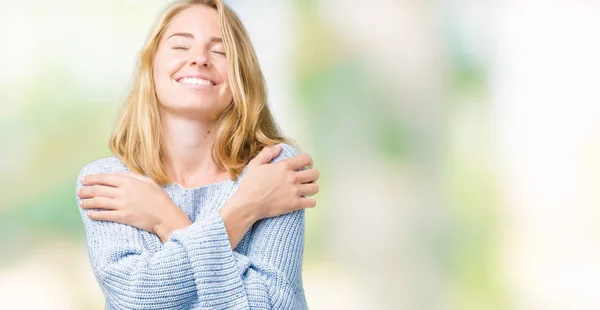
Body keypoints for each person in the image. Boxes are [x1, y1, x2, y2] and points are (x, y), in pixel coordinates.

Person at [75, 1, 319, 309]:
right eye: (180, 46)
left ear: (241, 75)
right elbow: (134, 300)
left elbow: (269, 305)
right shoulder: (110, 181)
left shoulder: (273, 169)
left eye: (220, 51)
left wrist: (164, 218)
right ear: (151, 67)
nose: (199, 59)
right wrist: (245, 208)